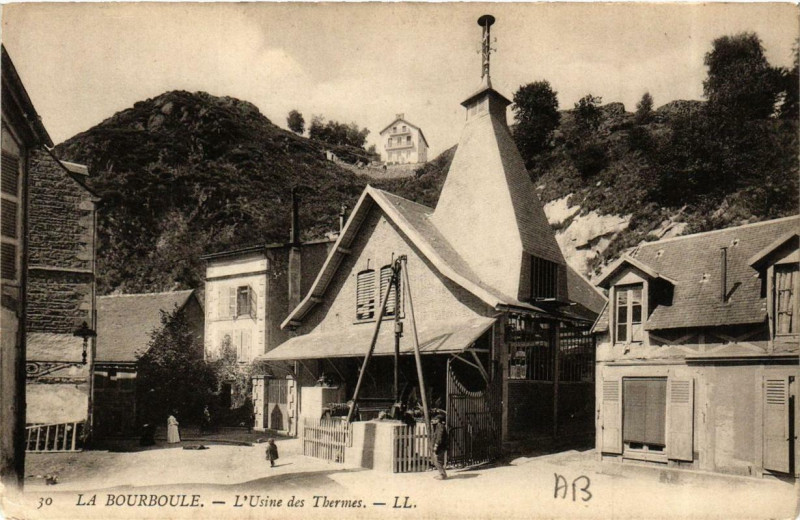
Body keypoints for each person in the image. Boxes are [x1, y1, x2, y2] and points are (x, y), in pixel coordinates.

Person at [431, 412, 448, 480]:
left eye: (435, 419)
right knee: (438, 460)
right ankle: (442, 474)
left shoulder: (440, 426)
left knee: (437, 460)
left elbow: (439, 437)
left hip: (440, 446)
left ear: (438, 420)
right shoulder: (438, 426)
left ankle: (442, 475)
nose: (433, 420)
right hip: (440, 446)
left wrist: (436, 445)